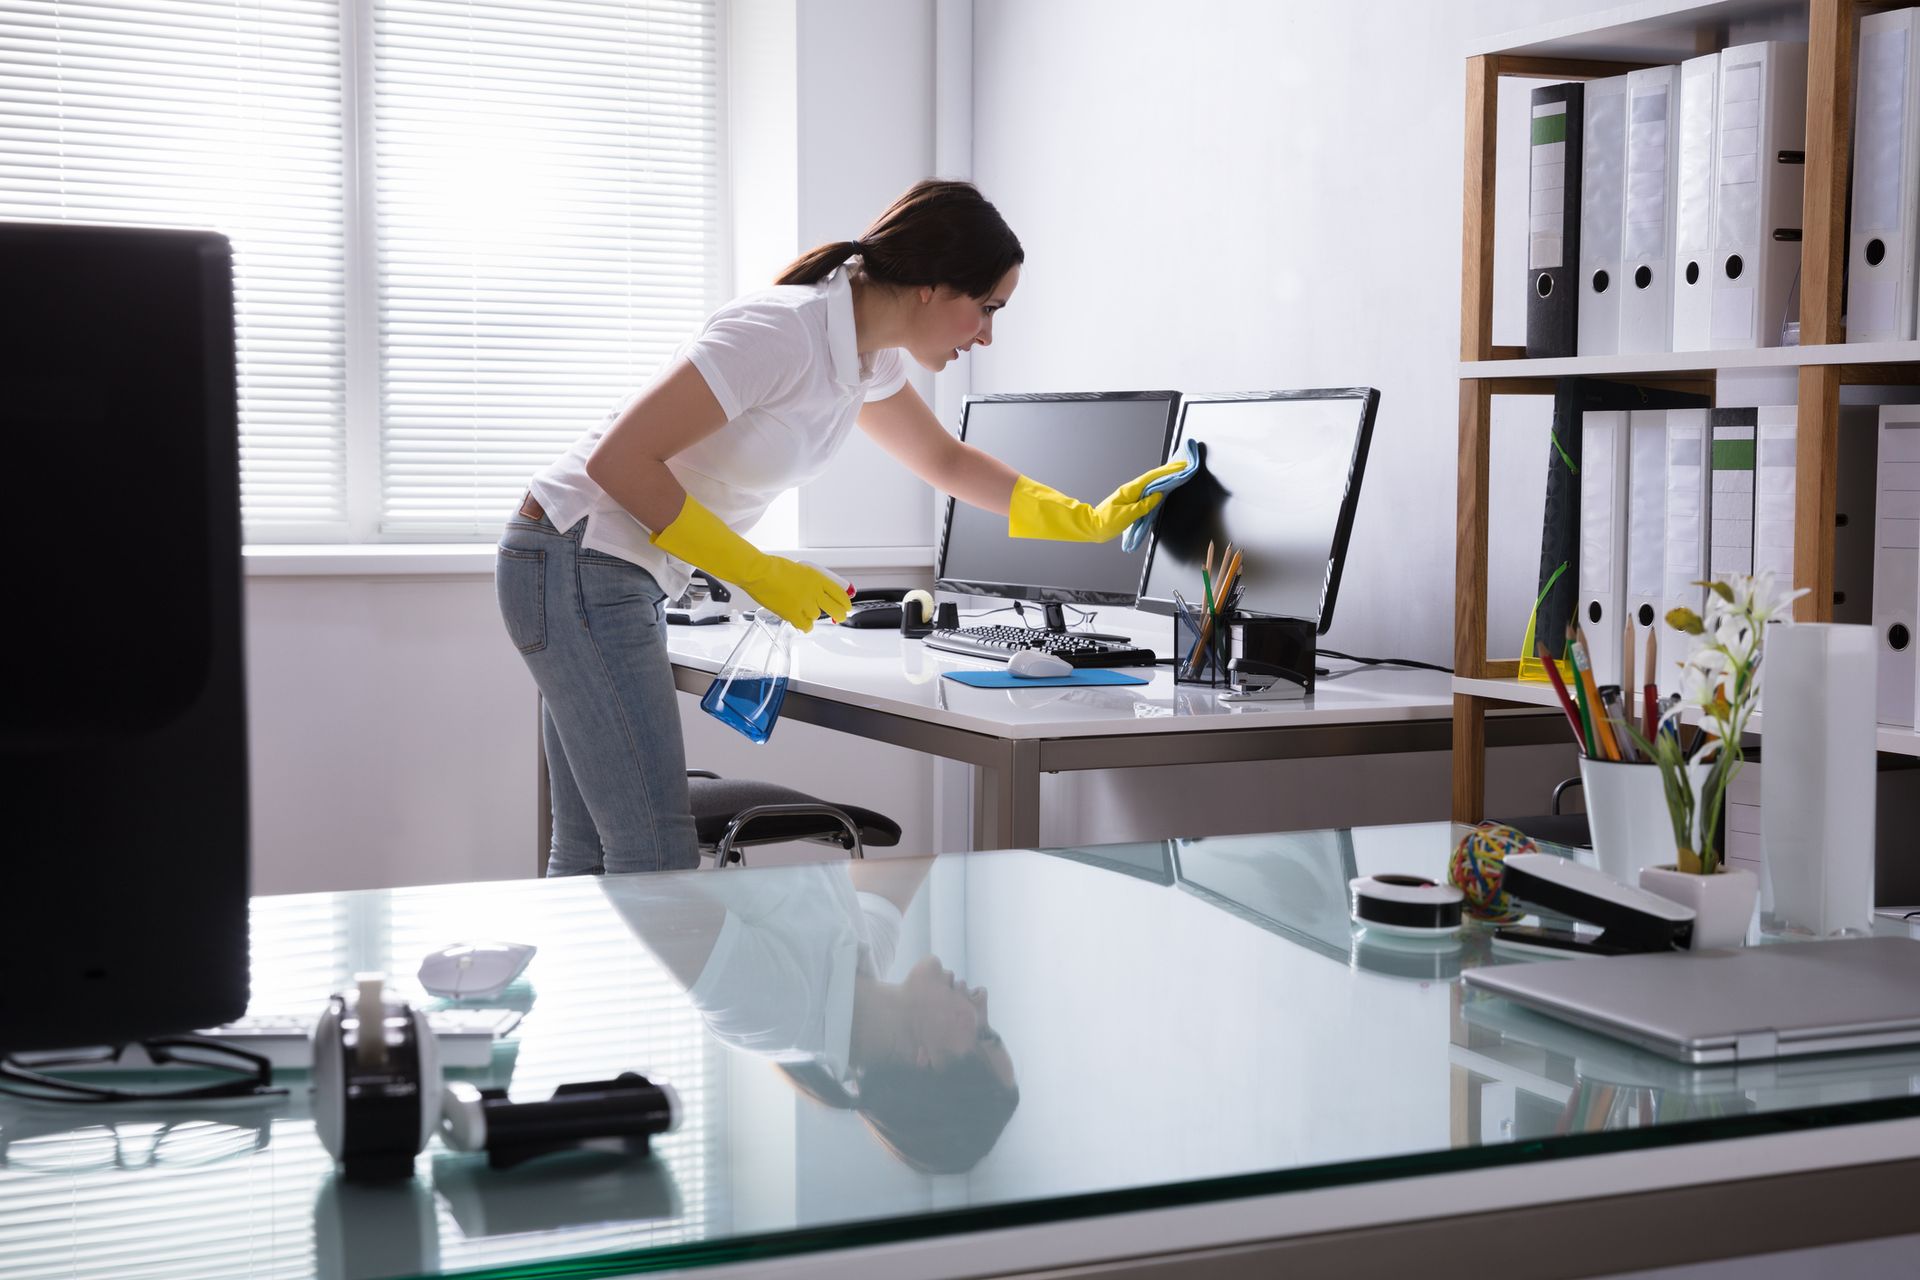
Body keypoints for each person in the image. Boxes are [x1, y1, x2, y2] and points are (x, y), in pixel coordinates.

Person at [498, 179, 1187, 875]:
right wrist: (758, 572)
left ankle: (599, 985)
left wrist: (1085, 519)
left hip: (595, 567)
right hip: (575, 556)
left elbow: (943, 459)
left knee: (593, 847)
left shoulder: (864, 355)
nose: (987, 334)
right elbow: (621, 461)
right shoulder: (779, 332)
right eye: (985, 308)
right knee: (652, 852)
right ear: (931, 286)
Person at [601, 857, 1018, 1174]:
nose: (981, 998)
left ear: (928, 1060)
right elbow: (917, 839)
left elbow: (637, 876)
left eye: (983, 1033)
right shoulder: (867, 961)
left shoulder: (775, 1009)